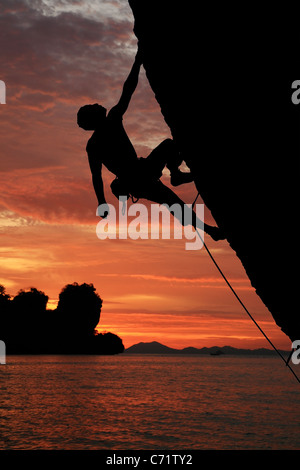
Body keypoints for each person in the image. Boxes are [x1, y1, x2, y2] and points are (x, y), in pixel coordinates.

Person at [77, 47, 225, 241]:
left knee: (172, 201)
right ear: (93, 118)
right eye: (92, 107)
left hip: (135, 180)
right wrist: (137, 62)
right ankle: (176, 174)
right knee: (169, 150)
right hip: (140, 173)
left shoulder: (94, 143)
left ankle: (210, 230)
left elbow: (96, 177)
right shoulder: (110, 122)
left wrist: (102, 203)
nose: (96, 104)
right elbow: (128, 90)